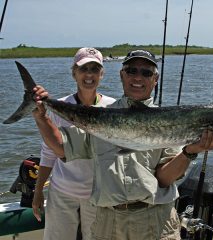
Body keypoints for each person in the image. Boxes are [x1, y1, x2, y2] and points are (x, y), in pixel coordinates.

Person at [32, 49, 213, 240]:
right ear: (122, 76)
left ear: (155, 79)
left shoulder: (171, 120)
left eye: (146, 72)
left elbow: (164, 179)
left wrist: (189, 152)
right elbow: (61, 148)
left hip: (157, 220)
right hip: (108, 222)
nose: (138, 77)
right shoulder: (102, 116)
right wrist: (42, 118)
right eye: (132, 71)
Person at [32, 47, 115, 240]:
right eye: (83, 69)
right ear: (74, 73)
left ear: (101, 74)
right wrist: (37, 191)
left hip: (99, 195)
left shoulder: (114, 107)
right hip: (62, 191)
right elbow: (49, 152)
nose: (89, 74)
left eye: (94, 69)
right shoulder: (60, 105)